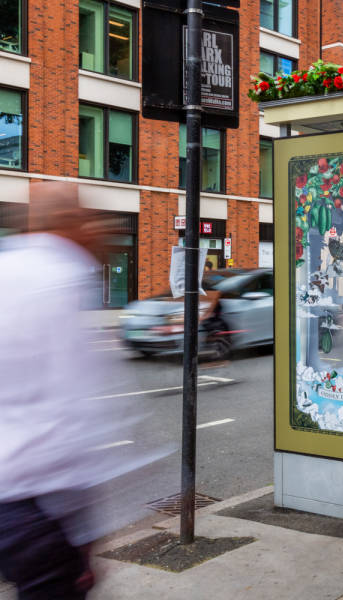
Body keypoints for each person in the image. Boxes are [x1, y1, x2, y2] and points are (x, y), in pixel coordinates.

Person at [0, 183, 157, 598]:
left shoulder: (6, 267)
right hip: (35, 508)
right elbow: (75, 417)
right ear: (69, 222)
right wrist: (86, 534)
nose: (97, 228)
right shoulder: (64, 279)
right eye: (88, 218)